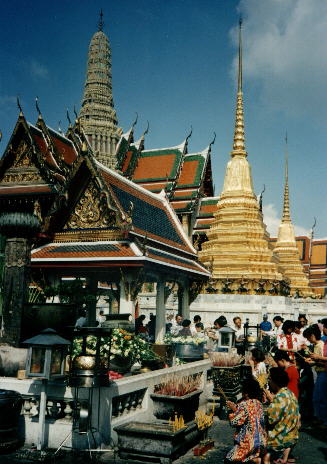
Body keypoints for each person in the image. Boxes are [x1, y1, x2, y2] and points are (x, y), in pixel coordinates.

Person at [225, 378, 266, 463]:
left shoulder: (244, 405)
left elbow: (234, 422)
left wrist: (232, 410)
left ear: (246, 393)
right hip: (261, 442)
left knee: (228, 459)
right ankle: (255, 458)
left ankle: (253, 460)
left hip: (248, 444)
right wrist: (236, 409)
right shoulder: (259, 404)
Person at [264, 367, 300, 464]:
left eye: (269, 379)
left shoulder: (279, 398)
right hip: (292, 435)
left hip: (280, 439)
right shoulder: (290, 393)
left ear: (274, 381)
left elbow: (271, 419)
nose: (268, 382)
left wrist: (270, 403)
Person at [303, 324, 327, 428]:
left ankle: (323, 419)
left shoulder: (320, 345)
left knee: (319, 397)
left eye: (308, 337)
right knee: (319, 397)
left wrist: (314, 361)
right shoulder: (319, 344)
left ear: (312, 336)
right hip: (320, 372)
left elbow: (321, 361)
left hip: (323, 372)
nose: (308, 340)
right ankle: (321, 418)